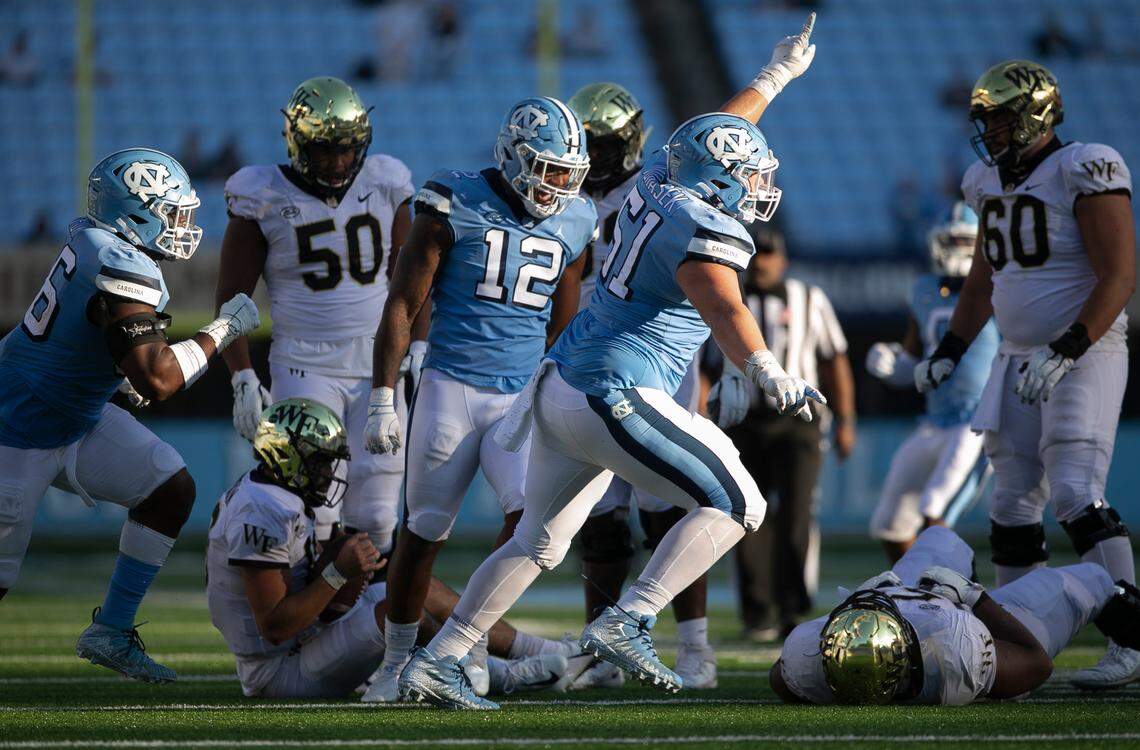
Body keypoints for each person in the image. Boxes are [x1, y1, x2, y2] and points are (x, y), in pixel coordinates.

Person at [399, 14, 822, 710]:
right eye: (747, 176)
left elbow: (715, 131)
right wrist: (763, 368)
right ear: (721, 182)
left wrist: (774, 76)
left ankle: (438, 661)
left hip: (560, 384)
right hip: (616, 391)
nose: (757, 185)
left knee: (536, 544)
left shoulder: (659, 180)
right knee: (740, 503)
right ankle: (633, 616)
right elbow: (725, 307)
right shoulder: (702, 224)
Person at [360, 95, 596, 702]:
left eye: (567, 173)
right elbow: (403, 302)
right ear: (514, 157)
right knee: (424, 532)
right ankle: (394, 664)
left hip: (522, 397)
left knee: (531, 523)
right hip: (452, 387)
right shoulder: (453, 199)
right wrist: (383, 395)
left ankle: (461, 645)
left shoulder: (578, 219)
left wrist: (556, 384)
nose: (557, 185)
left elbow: (565, 322)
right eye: (547, 169)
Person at [914, 60, 1136, 689]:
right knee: (1011, 501)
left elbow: (1120, 273)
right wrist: (951, 347)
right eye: (985, 120)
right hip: (1015, 355)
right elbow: (986, 276)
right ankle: (1017, 644)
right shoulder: (985, 180)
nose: (990, 131)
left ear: (1035, 114)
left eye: (1000, 118)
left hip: (1085, 350)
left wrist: (1068, 347)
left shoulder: (1084, 166)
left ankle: (1132, 638)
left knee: (1075, 491)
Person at [0, 148, 260, 682]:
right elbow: (159, 379)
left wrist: (119, 374)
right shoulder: (120, 260)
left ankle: (112, 631)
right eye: (172, 213)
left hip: (74, 415)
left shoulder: (97, 242)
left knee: (169, 488)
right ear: (136, 213)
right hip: (16, 428)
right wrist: (223, 329)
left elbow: (86, 334)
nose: (183, 225)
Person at [206, 398, 576, 698]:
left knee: (410, 587)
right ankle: (498, 674)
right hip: (278, 670)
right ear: (286, 457)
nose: (328, 473)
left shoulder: (273, 494)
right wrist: (337, 573)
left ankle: (531, 652)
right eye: (319, 461)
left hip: (304, 641)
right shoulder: (263, 511)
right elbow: (275, 626)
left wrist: (338, 561)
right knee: (394, 613)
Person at [217, 77, 416, 550]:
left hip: (378, 362)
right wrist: (241, 375)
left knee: (378, 509)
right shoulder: (262, 194)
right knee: (312, 503)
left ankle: (368, 599)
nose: (339, 161)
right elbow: (232, 300)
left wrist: (417, 349)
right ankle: (310, 594)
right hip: (303, 363)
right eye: (326, 150)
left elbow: (411, 285)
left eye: (347, 149)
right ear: (297, 141)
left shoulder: (386, 182)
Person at [566, 82, 717, 690]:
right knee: (599, 516)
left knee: (669, 506)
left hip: (660, 360)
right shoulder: (562, 195)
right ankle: (602, 650)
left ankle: (695, 647)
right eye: (589, 145)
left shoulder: (661, 189)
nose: (597, 157)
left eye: (606, 144)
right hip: (591, 360)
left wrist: (722, 367)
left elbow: (710, 278)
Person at [771, 525, 1140, 704]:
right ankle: (1132, 642)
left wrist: (863, 600)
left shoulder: (810, 660)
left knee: (940, 537)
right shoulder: (954, 651)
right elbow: (1036, 663)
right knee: (1093, 579)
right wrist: (975, 598)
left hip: (898, 597)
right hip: (964, 622)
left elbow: (780, 676)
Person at [717, 227, 855, 641]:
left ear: (784, 260)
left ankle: (794, 610)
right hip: (742, 422)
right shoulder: (728, 299)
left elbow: (834, 359)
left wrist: (846, 419)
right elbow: (707, 365)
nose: (762, 263)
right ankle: (758, 612)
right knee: (745, 516)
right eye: (756, 255)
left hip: (799, 422)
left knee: (797, 515)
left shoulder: (809, 299)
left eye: (769, 254)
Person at [866, 203, 999, 562]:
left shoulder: (997, 290)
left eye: (964, 241)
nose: (955, 249)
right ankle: (914, 585)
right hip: (933, 421)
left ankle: (955, 589)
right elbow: (914, 362)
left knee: (934, 510)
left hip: (975, 423)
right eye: (949, 240)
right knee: (889, 524)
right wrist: (891, 366)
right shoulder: (923, 290)